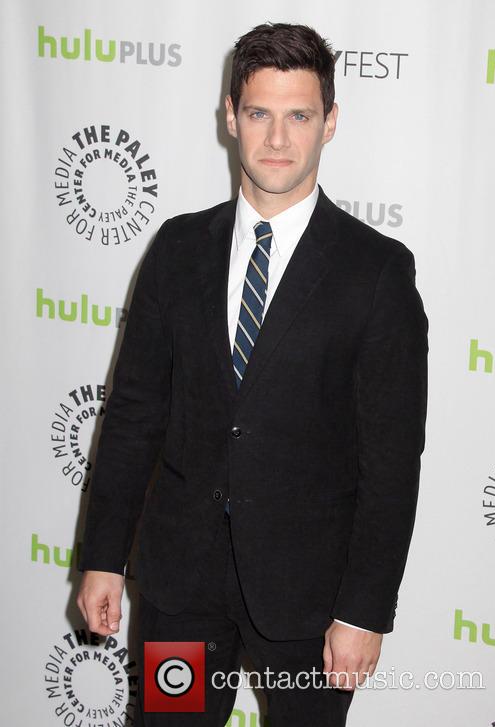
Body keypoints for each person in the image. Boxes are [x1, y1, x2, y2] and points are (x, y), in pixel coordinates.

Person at [76, 21, 428, 727]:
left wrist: (364, 609)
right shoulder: (177, 250)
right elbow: (135, 415)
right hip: (181, 587)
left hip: (311, 600)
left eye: (298, 115)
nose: (276, 138)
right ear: (230, 116)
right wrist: (103, 555)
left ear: (329, 123)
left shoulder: (377, 271)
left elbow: (392, 460)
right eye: (260, 113)